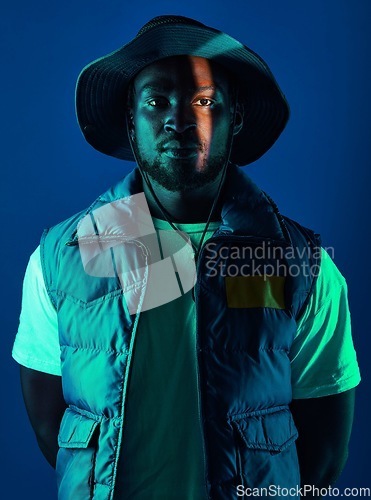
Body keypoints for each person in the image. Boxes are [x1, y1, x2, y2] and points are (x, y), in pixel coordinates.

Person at [13, 15, 361, 500]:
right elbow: (54, 427)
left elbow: (323, 454)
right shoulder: (60, 259)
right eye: (156, 101)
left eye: (204, 100)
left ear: (233, 116)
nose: (180, 119)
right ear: (130, 121)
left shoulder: (303, 265)